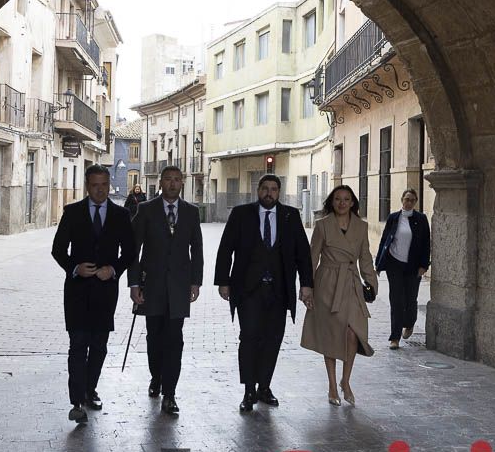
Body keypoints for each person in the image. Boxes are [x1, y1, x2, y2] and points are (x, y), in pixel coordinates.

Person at [215, 174, 314, 412]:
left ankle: (264, 387)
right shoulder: (241, 214)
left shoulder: (291, 216)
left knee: (273, 339)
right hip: (248, 289)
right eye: (265, 189)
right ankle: (249, 389)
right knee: (249, 337)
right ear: (257, 190)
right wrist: (223, 281)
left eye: (274, 189)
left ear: (279, 192)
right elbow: (225, 248)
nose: (269, 193)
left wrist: (306, 284)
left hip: (279, 290)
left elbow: (303, 253)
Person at [51, 165, 134, 424]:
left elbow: (130, 253)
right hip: (76, 291)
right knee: (78, 345)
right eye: (95, 185)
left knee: (99, 346)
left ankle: (90, 390)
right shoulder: (72, 213)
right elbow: (58, 249)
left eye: (104, 185)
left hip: (105, 292)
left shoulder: (121, 215)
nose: (100, 190)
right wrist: (75, 268)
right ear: (87, 186)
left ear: (109, 185)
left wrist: (114, 269)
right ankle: (76, 401)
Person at [128, 166, 203, 416]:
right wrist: (134, 284)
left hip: (179, 287)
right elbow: (133, 250)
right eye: (168, 180)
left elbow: (197, 250)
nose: (172, 184)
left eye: (177, 180)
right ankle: (156, 376)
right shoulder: (146, 210)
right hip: (152, 286)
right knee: (154, 337)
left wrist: (196, 282)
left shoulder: (192, 213)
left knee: (175, 340)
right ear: (161, 182)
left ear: (183, 183)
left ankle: (170, 393)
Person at [301, 185, 379, 406]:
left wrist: (371, 283)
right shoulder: (322, 226)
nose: (342, 203)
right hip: (327, 284)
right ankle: (332, 385)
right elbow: (311, 257)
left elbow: (365, 258)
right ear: (332, 202)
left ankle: (346, 380)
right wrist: (307, 288)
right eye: (337, 199)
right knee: (332, 335)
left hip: (351, 284)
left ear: (353, 202)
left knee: (353, 333)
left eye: (346, 199)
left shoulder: (361, 227)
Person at [375, 188, 431, 350]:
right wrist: (378, 264)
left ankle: (409, 323)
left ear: (415, 202)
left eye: (412, 200)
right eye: (406, 199)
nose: (409, 202)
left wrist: (423, 265)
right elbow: (385, 241)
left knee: (410, 298)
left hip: (413, 266)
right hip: (394, 264)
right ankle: (395, 337)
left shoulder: (421, 219)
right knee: (396, 300)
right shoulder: (393, 218)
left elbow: (426, 244)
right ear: (401, 200)